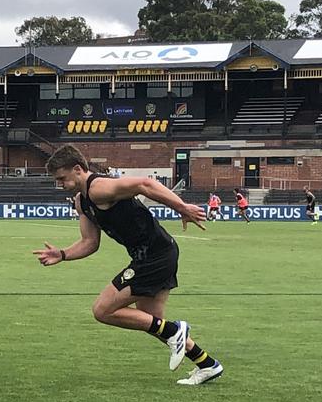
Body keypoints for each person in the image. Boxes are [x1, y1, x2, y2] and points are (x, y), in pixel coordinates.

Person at [33, 145, 221, 385]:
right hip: (151, 255)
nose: (59, 184)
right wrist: (63, 253)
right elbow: (90, 242)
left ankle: (176, 330)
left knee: (102, 310)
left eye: (62, 178)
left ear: (78, 169)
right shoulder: (82, 202)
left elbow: (145, 184)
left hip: (155, 255)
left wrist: (181, 207)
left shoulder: (100, 188)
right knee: (152, 321)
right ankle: (207, 364)